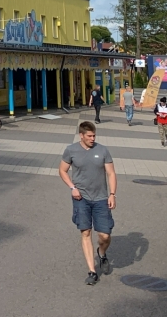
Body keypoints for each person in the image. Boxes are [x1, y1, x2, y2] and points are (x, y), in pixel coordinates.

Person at [58, 121, 117, 286]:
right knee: (85, 233)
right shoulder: (71, 150)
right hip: (80, 198)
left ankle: (102, 253)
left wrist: (112, 194)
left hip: (101, 198)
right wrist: (72, 187)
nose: (92, 138)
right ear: (81, 135)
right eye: (89, 136)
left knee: (104, 235)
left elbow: (111, 173)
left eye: (94, 135)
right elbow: (62, 170)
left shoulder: (102, 150)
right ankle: (92, 271)